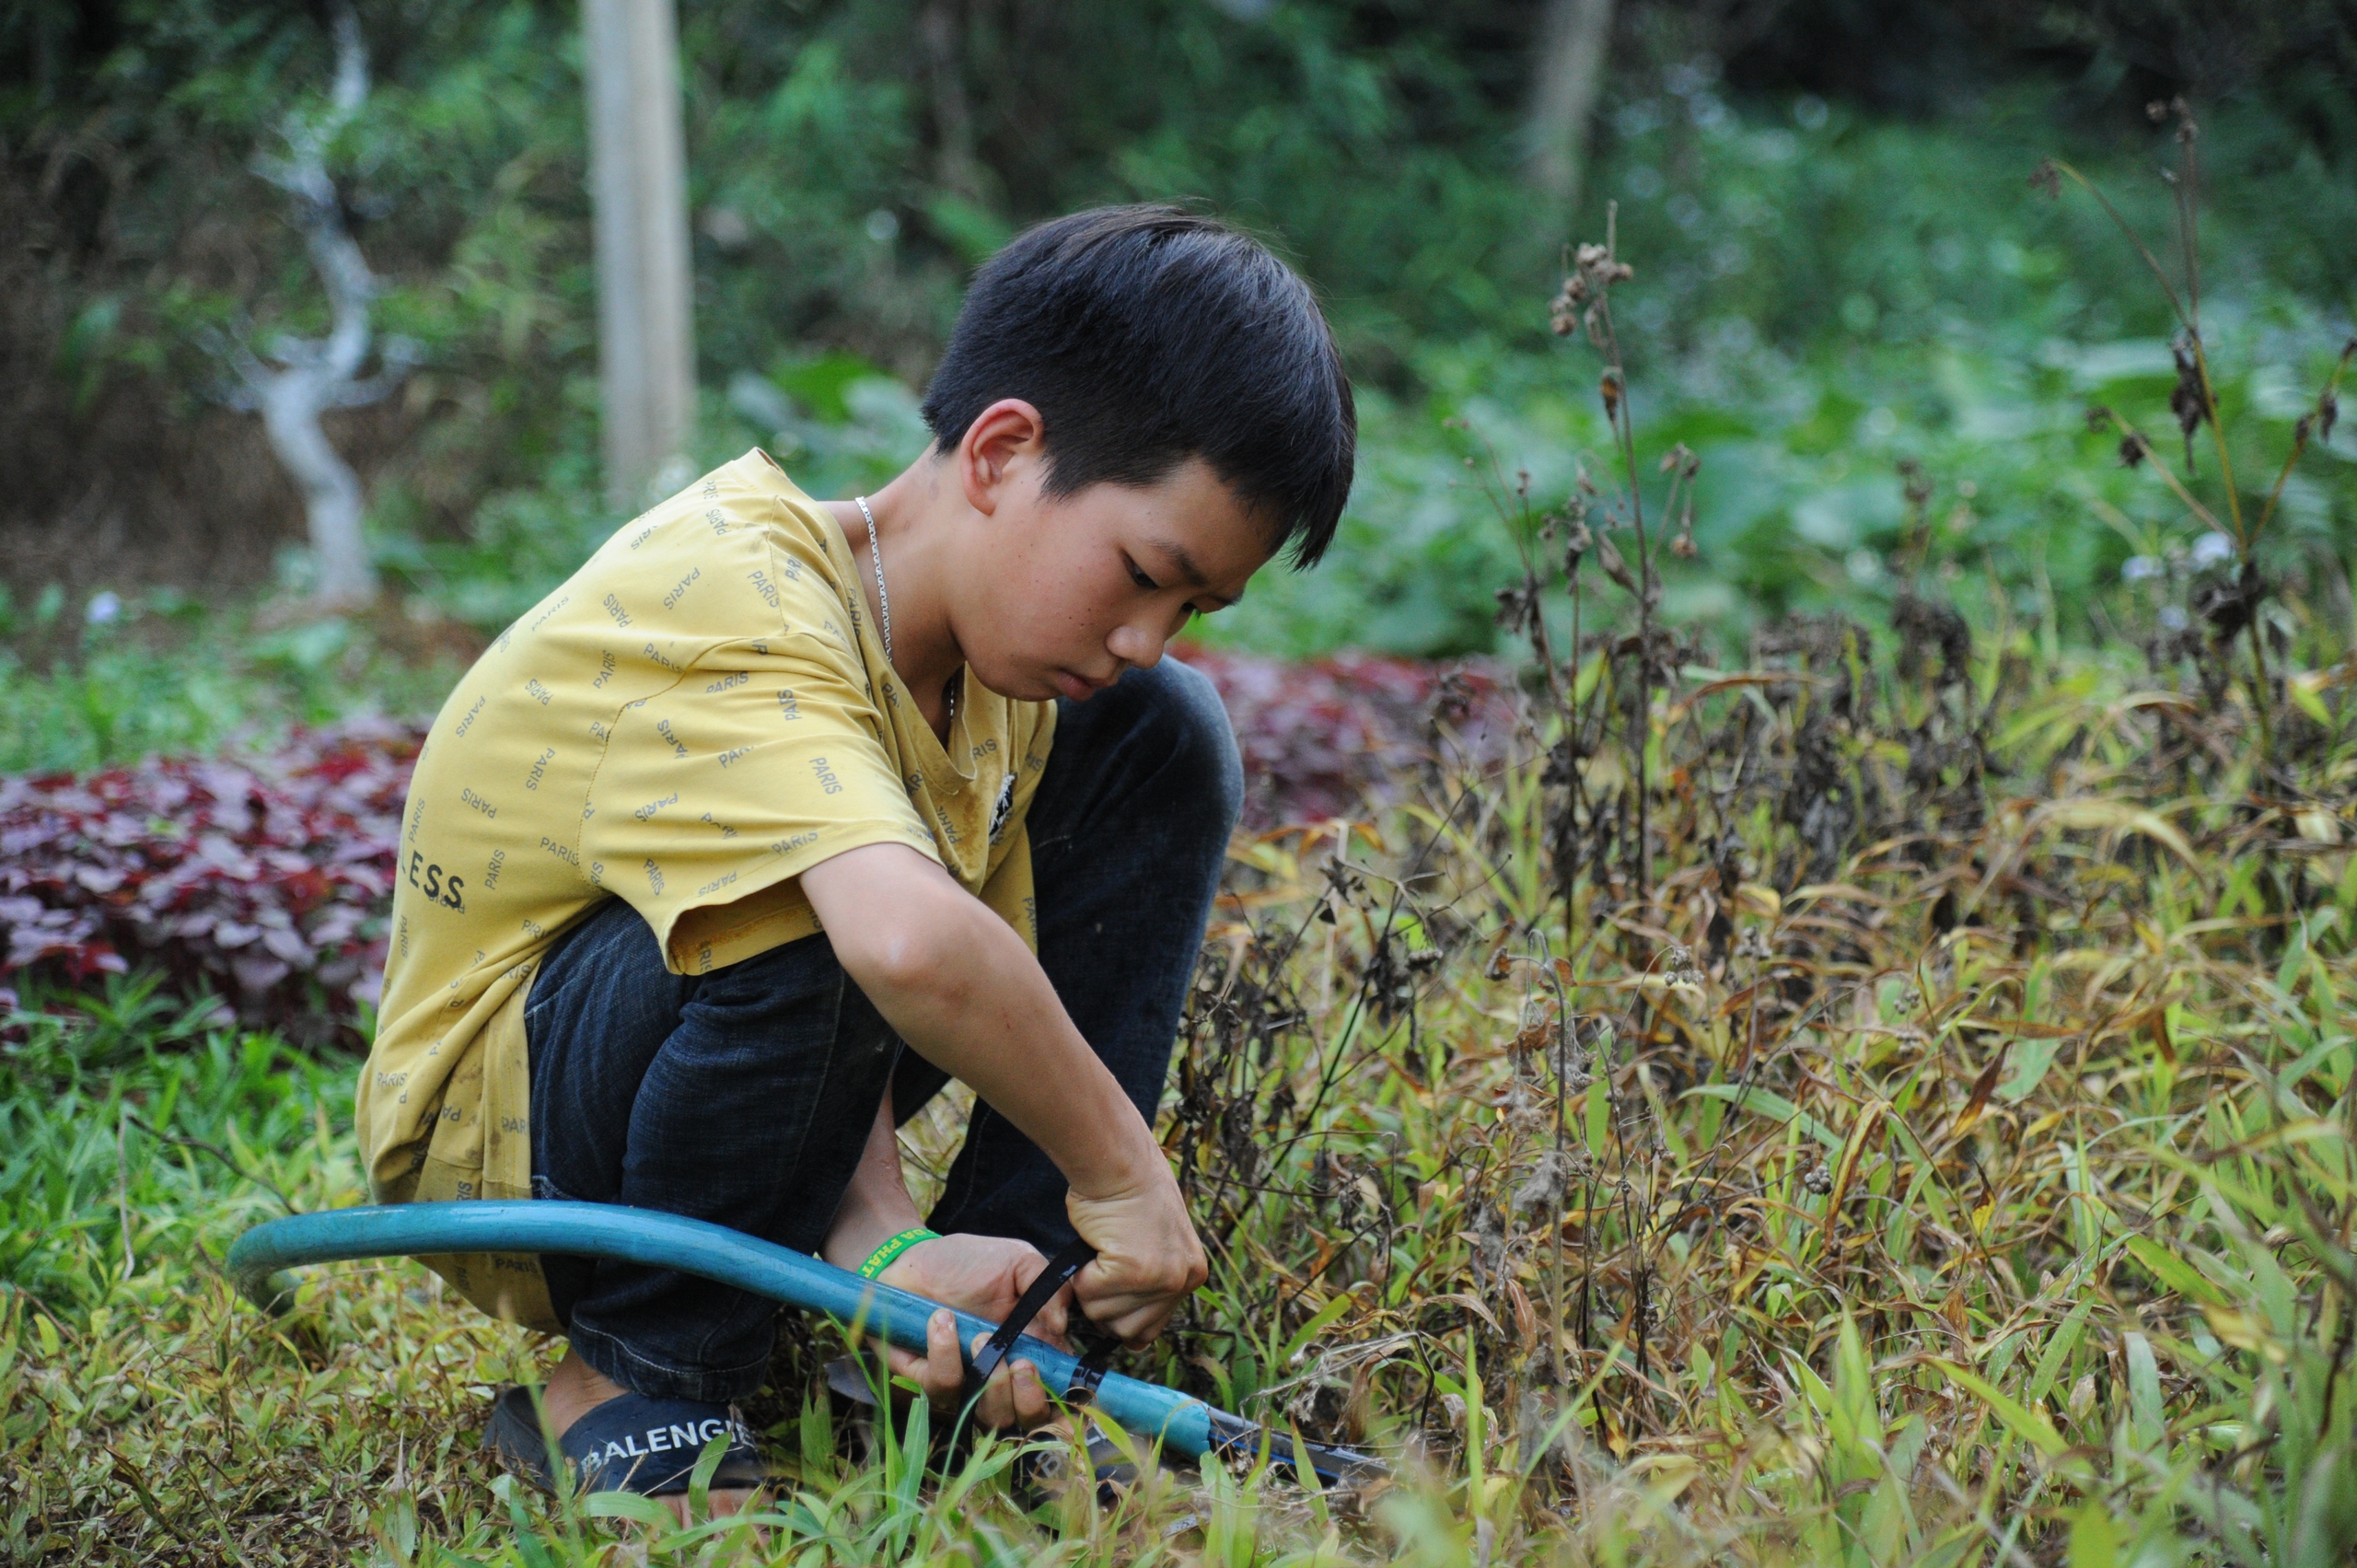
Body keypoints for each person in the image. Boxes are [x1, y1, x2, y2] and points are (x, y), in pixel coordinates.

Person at [355, 204, 1355, 1514]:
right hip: (516, 1141)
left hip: (712, 1053)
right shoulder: (738, 601)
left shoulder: (983, 674)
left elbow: (875, 986)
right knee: (858, 902)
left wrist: (887, 1242)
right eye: (1141, 574)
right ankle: (629, 1382)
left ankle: (1012, 1343)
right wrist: (1128, 1174)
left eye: (1192, 607)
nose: (1144, 636)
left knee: (1163, 737)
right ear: (1002, 451)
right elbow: (889, 943)